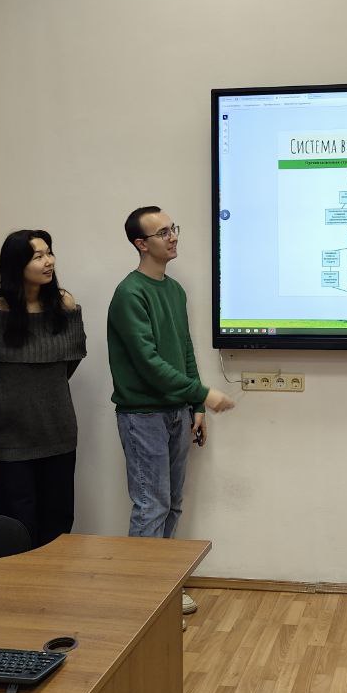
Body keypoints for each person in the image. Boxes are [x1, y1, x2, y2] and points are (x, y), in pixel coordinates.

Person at [107, 207, 236, 616]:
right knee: (152, 505)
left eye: (173, 228)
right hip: (143, 416)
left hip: (178, 412)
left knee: (173, 503)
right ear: (141, 244)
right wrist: (204, 393)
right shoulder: (130, 293)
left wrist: (196, 405)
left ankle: (163, 587)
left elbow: (184, 351)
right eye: (162, 232)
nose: (173, 237)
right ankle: (143, 602)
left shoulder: (174, 290)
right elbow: (148, 363)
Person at [0, 229, 86, 547]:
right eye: (38, 256)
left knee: (59, 523)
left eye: (49, 253)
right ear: (16, 264)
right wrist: (3, 405)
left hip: (58, 433)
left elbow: (68, 365)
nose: (48, 261)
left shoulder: (65, 307)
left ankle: (55, 581)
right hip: (9, 438)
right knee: (16, 527)